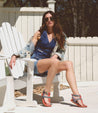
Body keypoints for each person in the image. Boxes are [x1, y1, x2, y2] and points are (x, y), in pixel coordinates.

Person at [9, 11, 87, 108]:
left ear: (55, 20)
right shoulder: (39, 33)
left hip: (51, 65)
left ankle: (76, 96)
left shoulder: (61, 35)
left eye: (51, 18)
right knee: (54, 62)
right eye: (46, 19)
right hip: (36, 64)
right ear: (44, 21)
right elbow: (28, 48)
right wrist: (15, 55)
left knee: (69, 64)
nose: (49, 20)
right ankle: (46, 91)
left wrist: (56, 56)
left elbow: (61, 51)